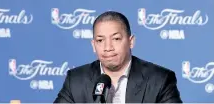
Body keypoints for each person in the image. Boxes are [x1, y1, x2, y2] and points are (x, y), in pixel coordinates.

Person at [53, 11, 182, 103]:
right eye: (100, 40)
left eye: (116, 39)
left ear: (131, 41)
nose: (108, 47)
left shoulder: (159, 80)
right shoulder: (75, 80)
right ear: (93, 45)